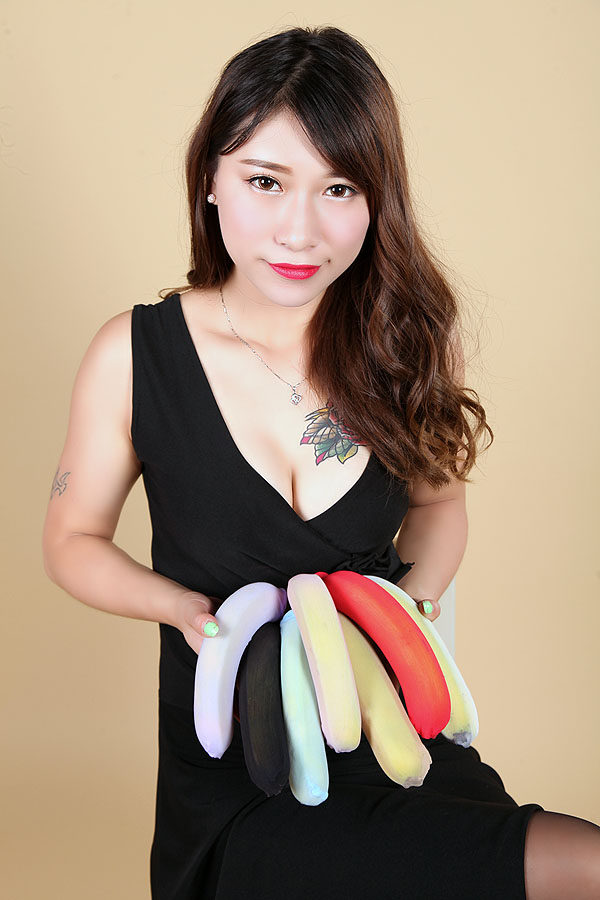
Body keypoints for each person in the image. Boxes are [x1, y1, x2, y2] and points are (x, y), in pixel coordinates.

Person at [42, 24, 600, 900]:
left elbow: (439, 506)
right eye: (265, 181)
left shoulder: (403, 346)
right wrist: (183, 611)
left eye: (339, 188)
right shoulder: (134, 354)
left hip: (392, 736)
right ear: (211, 181)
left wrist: (408, 610)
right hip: (239, 775)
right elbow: (71, 539)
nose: (299, 230)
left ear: (377, 200)